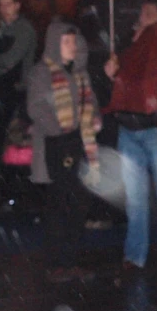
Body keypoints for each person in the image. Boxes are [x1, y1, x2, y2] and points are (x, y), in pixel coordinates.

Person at [26, 20, 103, 271]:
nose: (72, 46)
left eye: (73, 41)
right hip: (55, 144)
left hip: (79, 142)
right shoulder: (42, 73)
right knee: (59, 203)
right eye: (66, 42)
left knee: (79, 202)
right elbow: (36, 107)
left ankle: (71, 258)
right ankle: (57, 262)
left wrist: (95, 119)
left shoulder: (80, 74)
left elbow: (91, 102)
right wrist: (60, 129)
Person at [109, 0, 157, 272]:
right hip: (129, 128)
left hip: (154, 131)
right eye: (142, 12)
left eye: (148, 13)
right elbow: (119, 87)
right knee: (136, 198)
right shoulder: (128, 44)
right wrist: (112, 72)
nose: (142, 17)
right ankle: (135, 255)